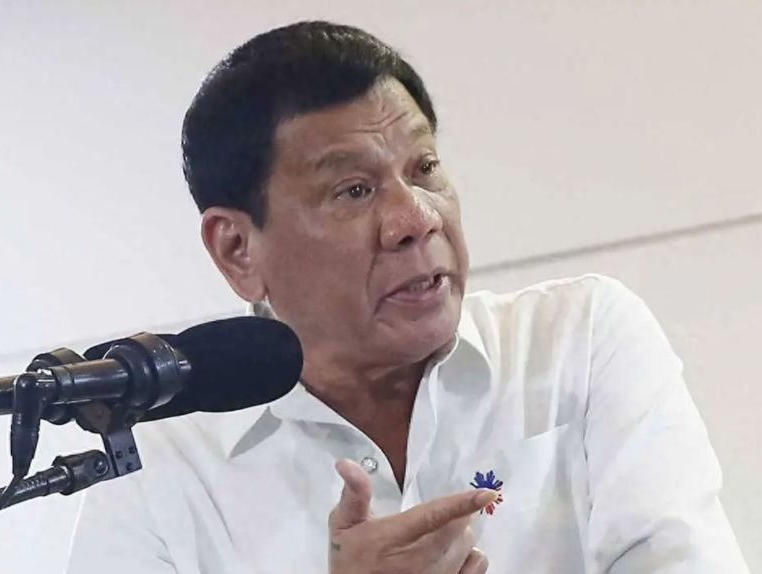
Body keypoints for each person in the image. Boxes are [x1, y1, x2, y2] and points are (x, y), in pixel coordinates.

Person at [66, 21, 748, 573]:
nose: (415, 218)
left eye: (424, 168)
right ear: (238, 249)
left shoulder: (580, 341)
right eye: (354, 190)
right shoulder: (156, 474)